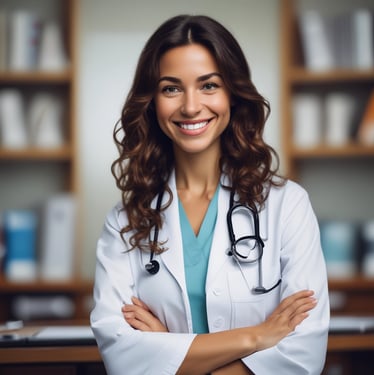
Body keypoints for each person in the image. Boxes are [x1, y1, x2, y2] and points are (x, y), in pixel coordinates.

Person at [90, 14, 329, 375]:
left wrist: (170, 353)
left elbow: (303, 355)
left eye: (209, 85)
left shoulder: (287, 205)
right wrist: (259, 336)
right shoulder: (125, 221)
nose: (190, 106)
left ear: (233, 93)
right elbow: (123, 357)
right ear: (152, 101)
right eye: (171, 88)